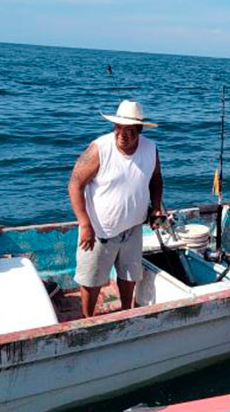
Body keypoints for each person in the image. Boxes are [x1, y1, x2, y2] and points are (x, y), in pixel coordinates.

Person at [68, 100, 164, 317]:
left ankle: (125, 314)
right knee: (91, 282)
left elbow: (156, 179)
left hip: (133, 229)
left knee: (130, 277)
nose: (122, 134)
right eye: (118, 128)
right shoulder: (99, 149)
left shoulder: (151, 149)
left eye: (129, 130)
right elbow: (75, 183)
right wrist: (85, 224)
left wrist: (156, 208)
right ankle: (88, 320)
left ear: (139, 130)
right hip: (99, 233)